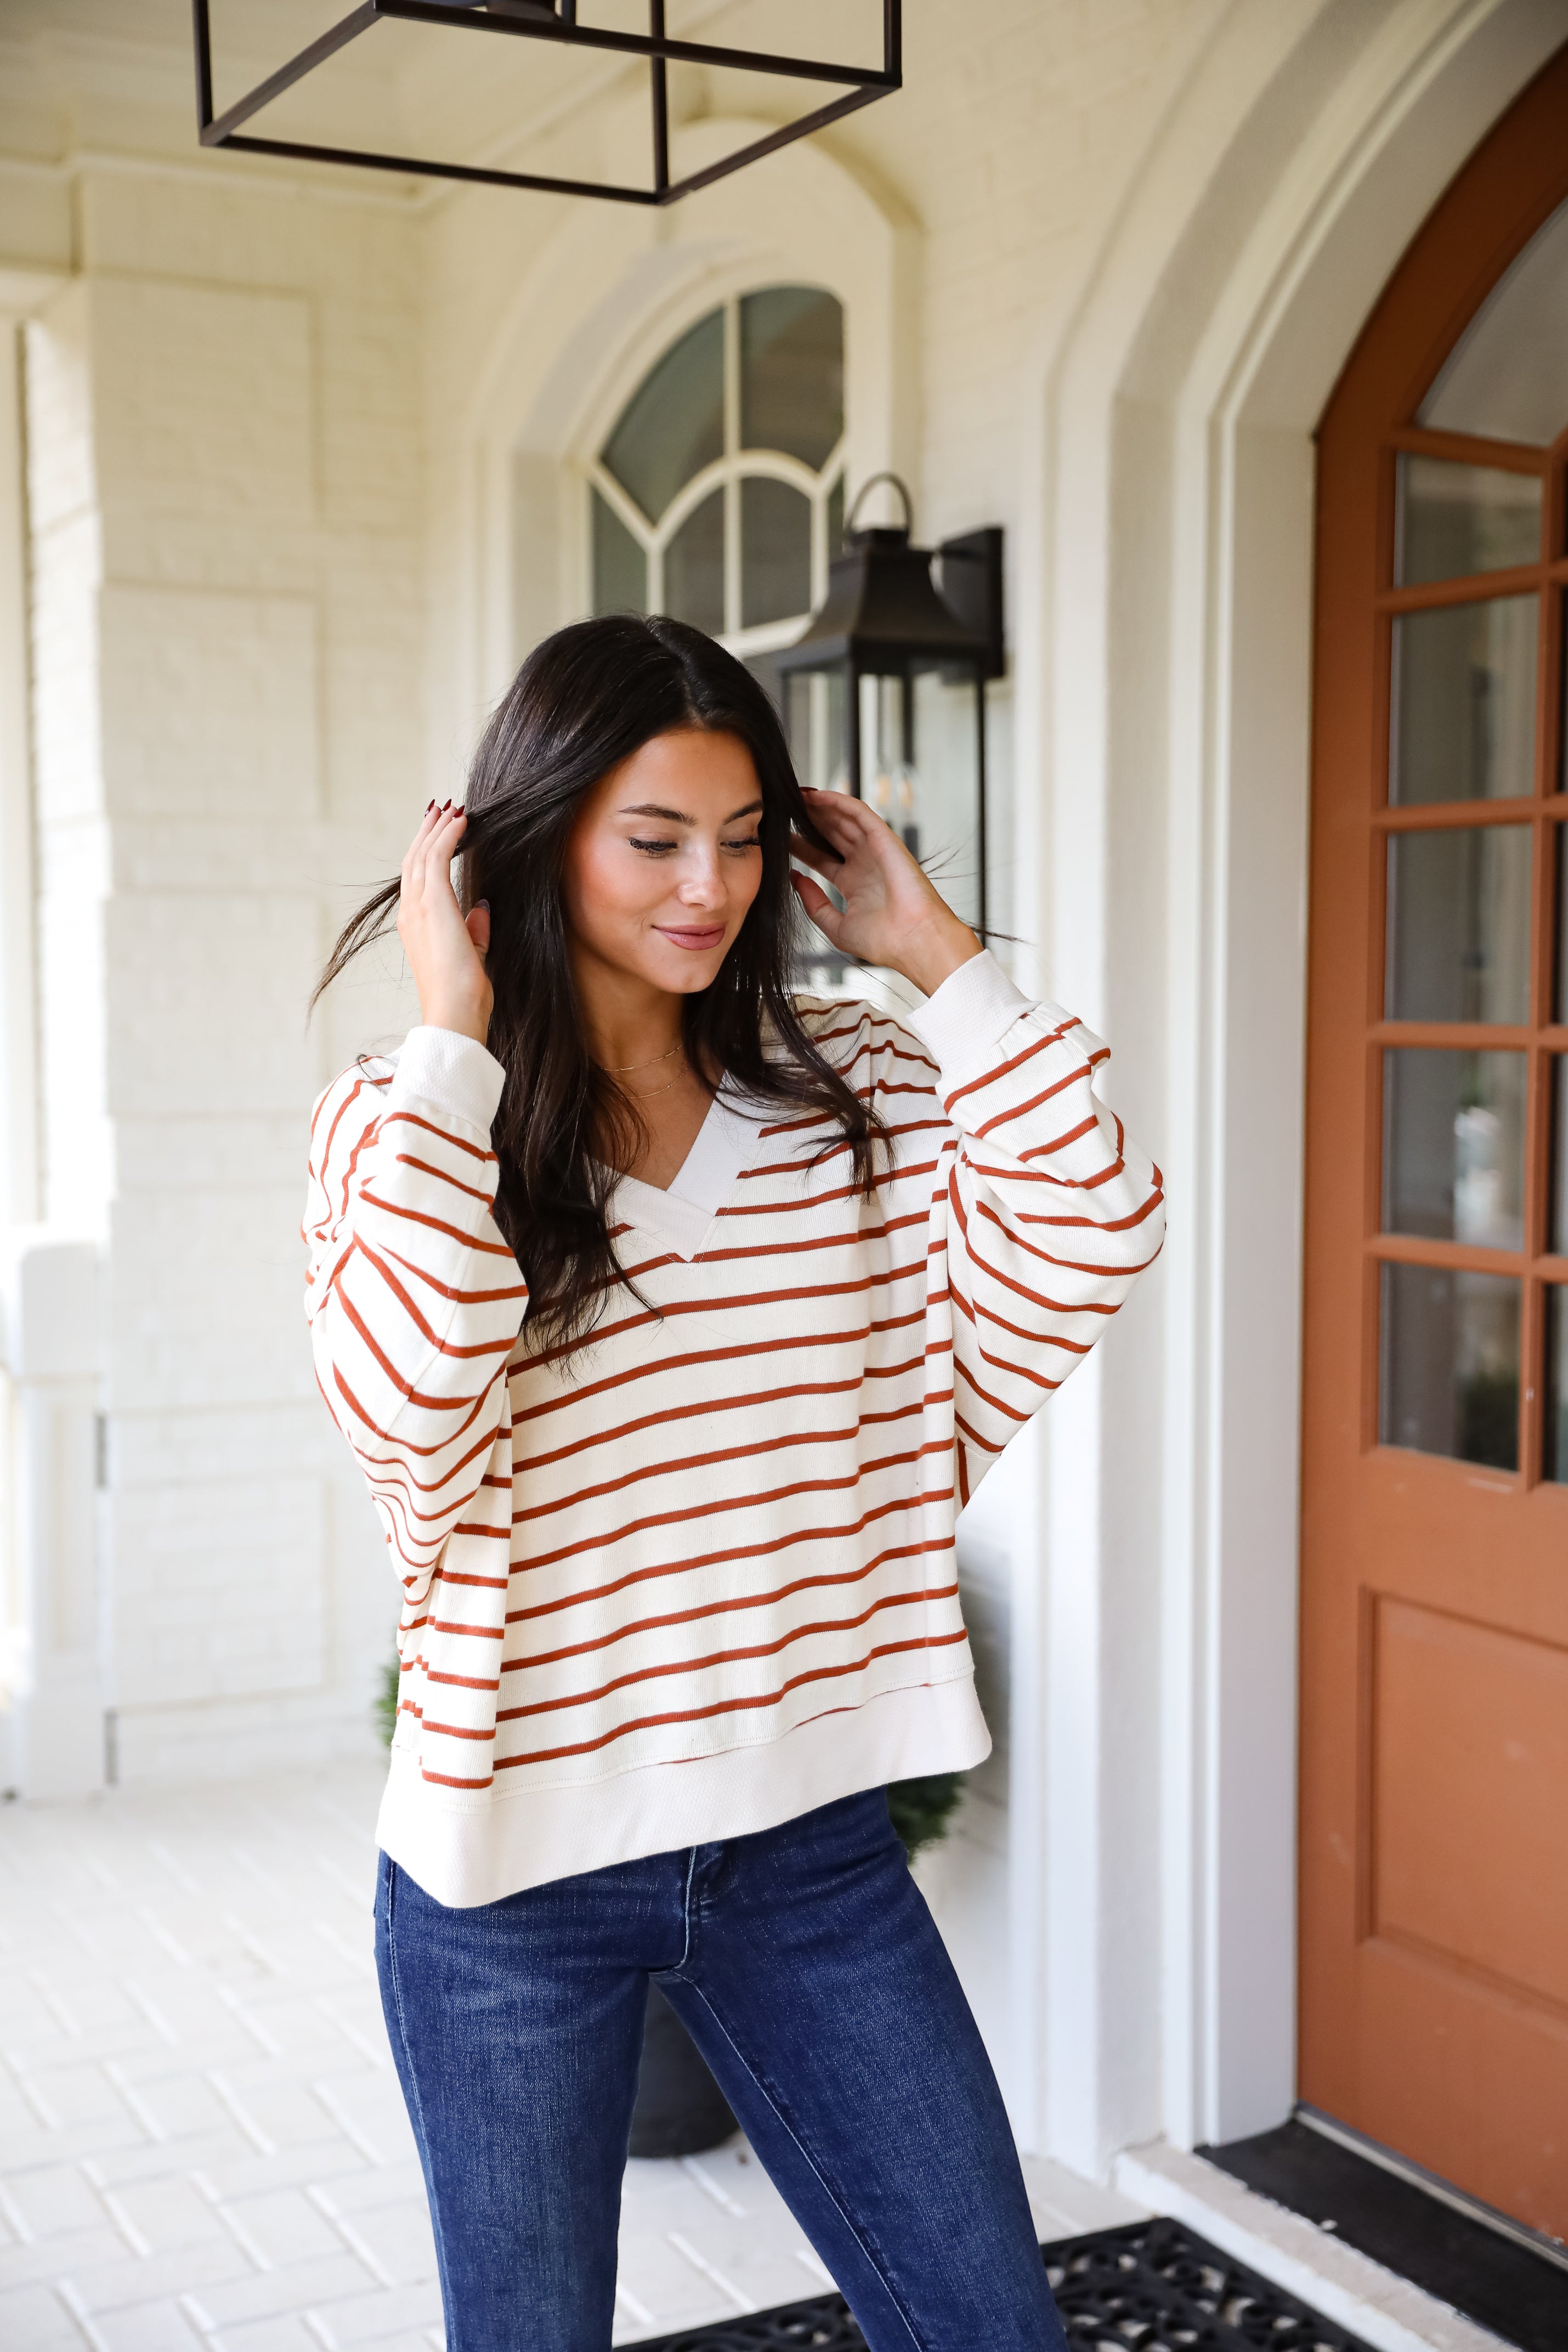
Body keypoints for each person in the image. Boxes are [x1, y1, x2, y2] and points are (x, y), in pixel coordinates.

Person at [304, 614, 1163, 2352]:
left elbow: (1088, 1228)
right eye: (655, 838)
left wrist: (940, 959)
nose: (712, 887)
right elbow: (402, 1406)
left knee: (991, 2327)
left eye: (747, 835)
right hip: (509, 1888)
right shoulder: (405, 1123)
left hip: (811, 1858)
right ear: (531, 837)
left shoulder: (863, 1088)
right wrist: (453, 1047)